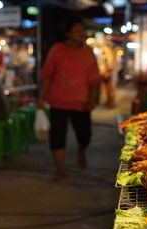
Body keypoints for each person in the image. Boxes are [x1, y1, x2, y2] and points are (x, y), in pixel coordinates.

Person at [37, 17, 100, 181]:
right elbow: (47, 76)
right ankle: (59, 170)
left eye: (82, 30)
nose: (81, 33)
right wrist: (41, 98)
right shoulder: (57, 50)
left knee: (85, 134)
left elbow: (94, 79)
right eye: (77, 30)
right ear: (68, 33)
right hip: (58, 101)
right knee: (57, 137)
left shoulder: (88, 52)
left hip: (81, 103)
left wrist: (93, 99)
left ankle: (81, 149)